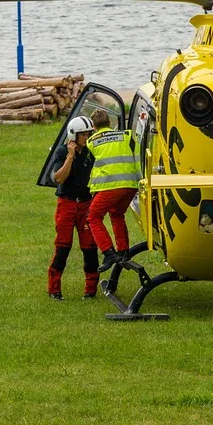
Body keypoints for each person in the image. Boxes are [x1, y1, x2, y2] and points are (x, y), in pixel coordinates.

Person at [47, 115, 100, 301]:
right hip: (67, 204)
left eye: (88, 134)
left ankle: (91, 290)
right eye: (84, 134)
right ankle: (54, 289)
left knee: (90, 248)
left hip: (86, 203)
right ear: (73, 136)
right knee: (63, 246)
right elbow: (58, 178)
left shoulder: (90, 151)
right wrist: (70, 157)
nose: (87, 137)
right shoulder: (61, 152)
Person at [86, 109, 139, 271]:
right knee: (117, 214)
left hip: (110, 186)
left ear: (94, 127)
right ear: (110, 123)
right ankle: (123, 251)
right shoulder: (125, 135)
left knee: (93, 217)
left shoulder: (91, 142)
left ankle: (109, 253)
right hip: (130, 185)